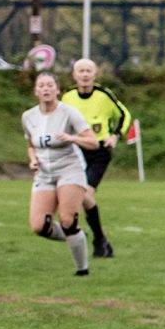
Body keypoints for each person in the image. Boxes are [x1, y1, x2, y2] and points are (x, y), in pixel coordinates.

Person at [21, 73, 99, 276]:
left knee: (67, 219)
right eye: (41, 86)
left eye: (50, 85)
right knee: (39, 226)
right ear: (36, 91)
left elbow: (93, 142)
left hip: (69, 170)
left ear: (57, 90)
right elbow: (30, 144)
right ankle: (76, 237)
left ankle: (82, 269)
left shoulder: (69, 113)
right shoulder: (28, 116)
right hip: (44, 174)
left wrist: (72, 138)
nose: (46, 89)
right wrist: (32, 159)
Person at [59, 58, 131, 258]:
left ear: (95, 74)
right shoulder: (68, 98)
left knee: (85, 195)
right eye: (80, 71)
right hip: (76, 151)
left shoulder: (104, 95)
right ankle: (101, 240)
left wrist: (115, 136)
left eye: (88, 71)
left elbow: (124, 115)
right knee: (83, 197)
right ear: (74, 75)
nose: (84, 74)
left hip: (99, 151)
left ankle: (99, 239)